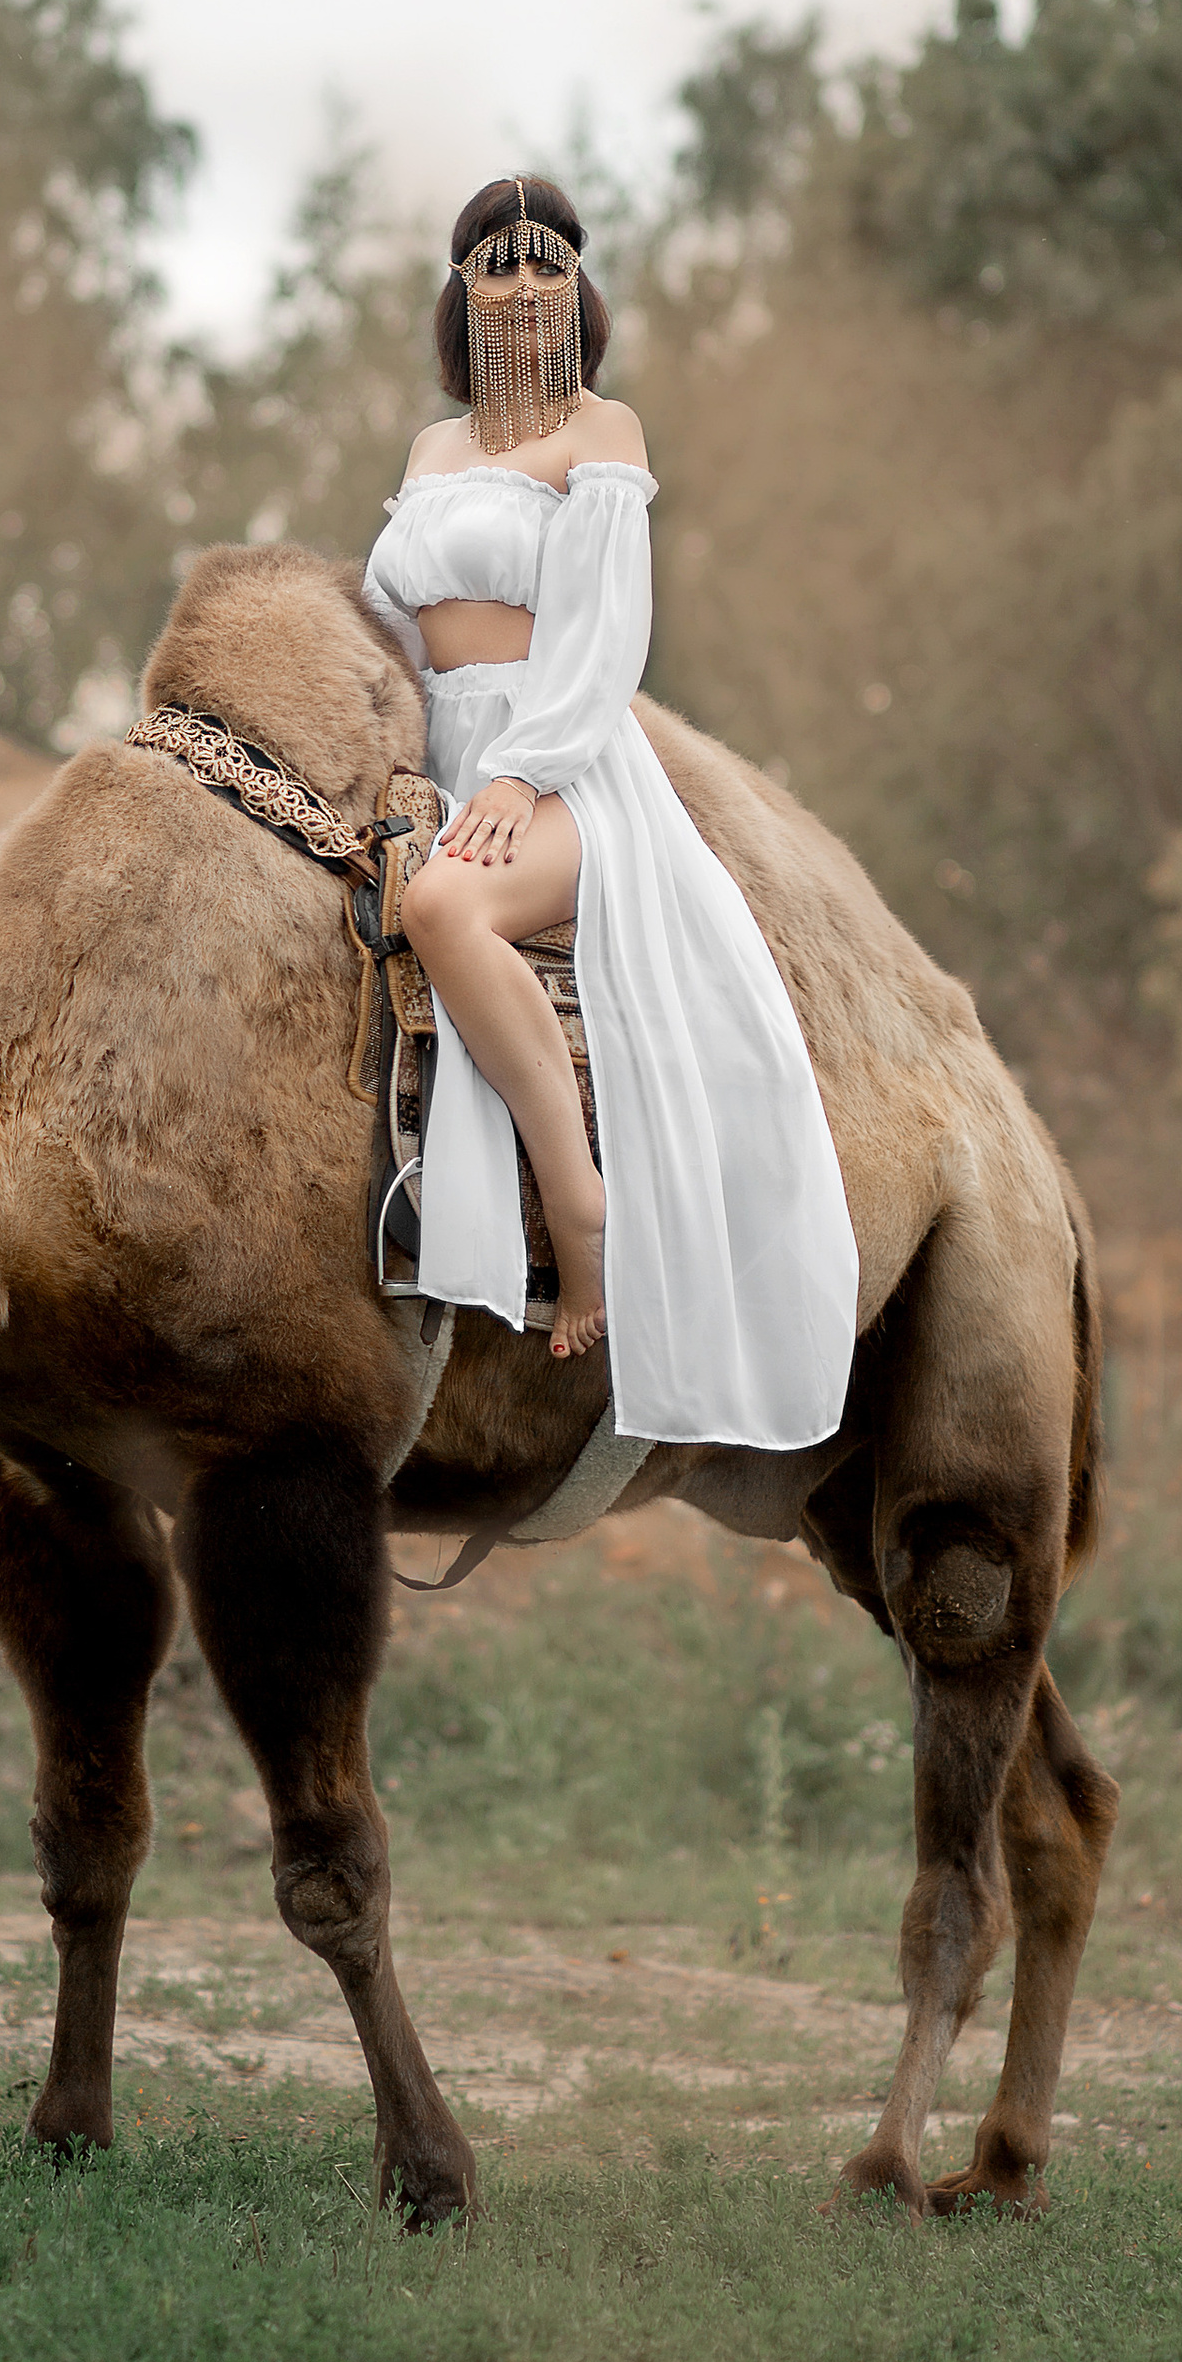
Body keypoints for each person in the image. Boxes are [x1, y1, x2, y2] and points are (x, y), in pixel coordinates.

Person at [360, 175, 859, 1457]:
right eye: (495, 259)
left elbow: (603, 635)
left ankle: (579, 1208)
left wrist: (527, 771)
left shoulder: (603, 432)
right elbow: (394, 635)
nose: (523, 281)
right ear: (461, 287)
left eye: (546, 259)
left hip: (568, 764)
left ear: (576, 283)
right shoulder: (429, 453)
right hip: (441, 751)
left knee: (441, 904)